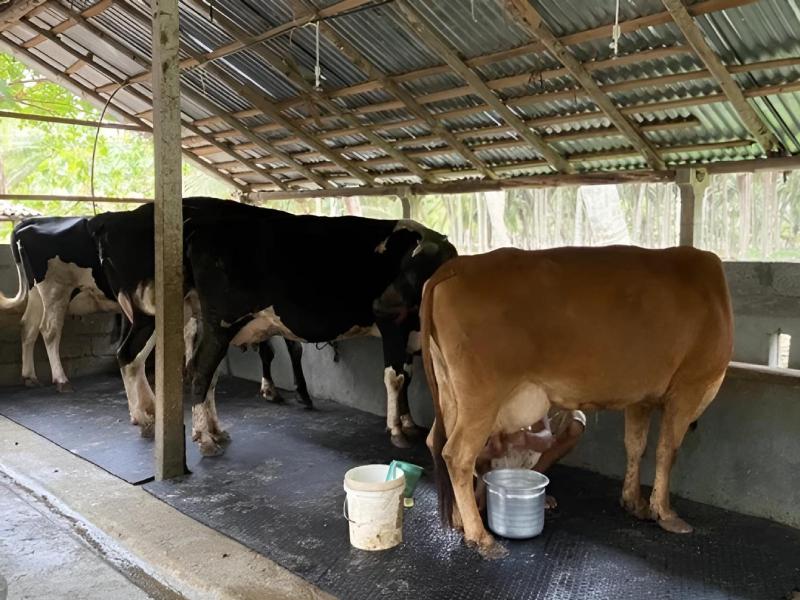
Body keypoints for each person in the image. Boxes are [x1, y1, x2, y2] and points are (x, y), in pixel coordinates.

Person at [475, 408, 586, 510]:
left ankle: (529, 488)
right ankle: (488, 490)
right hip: (488, 467)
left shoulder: (529, 395)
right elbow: (464, 454)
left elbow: (546, 438)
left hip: (526, 457)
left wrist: (527, 439)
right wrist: (482, 483)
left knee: (576, 421)